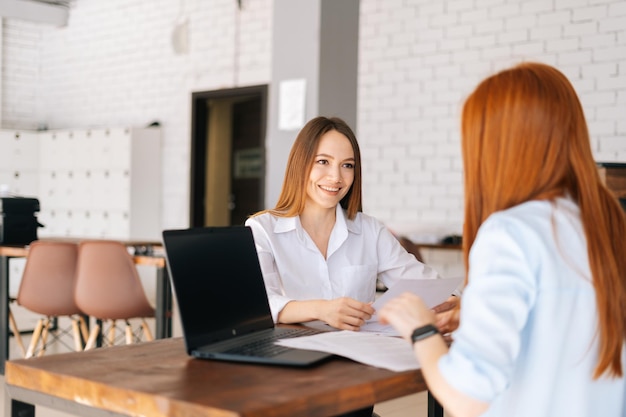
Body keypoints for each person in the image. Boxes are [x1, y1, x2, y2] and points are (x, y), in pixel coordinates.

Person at [379, 62, 626, 417]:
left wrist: (420, 330)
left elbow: (466, 397)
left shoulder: (510, 233)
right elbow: (562, 328)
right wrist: (477, 313)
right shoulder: (606, 227)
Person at [245, 116, 446, 333]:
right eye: (323, 161)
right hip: (290, 351)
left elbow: (424, 283)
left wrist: (454, 301)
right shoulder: (261, 229)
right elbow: (261, 305)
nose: (336, 177)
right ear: (300, 163)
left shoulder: (371, 230)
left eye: (347, 165)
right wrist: (322, 309)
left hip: (356, 354)